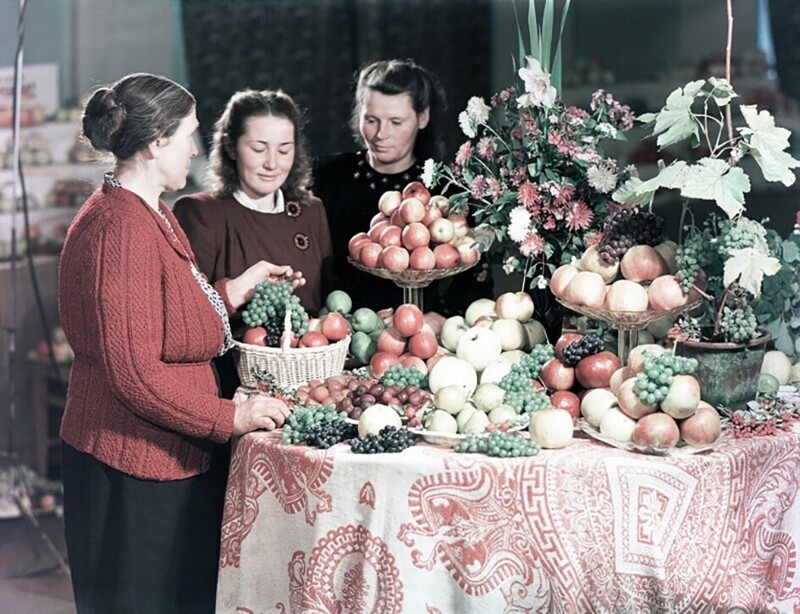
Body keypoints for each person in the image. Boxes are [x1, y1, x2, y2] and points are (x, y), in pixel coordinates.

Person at [58, 73, 297, 613]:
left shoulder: (147, 210)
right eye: (188, 133)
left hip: (163, 456)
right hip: (130, 467)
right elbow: (135, 373)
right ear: (156, 142)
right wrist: (230, 418)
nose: (194, 147)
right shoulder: (119, 230)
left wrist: (236, 288)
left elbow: (163, 315)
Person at [173, 89, 331, 398]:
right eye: (259, 148)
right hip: (232, 392)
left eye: (285, 150)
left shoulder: (312, 211)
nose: (272, 163)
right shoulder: (200, 213)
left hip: (308, 388)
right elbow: (186, 320)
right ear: (231, 147)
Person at [313, 58, 490, 314]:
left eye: (396, 122)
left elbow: (474, 285)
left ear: (422, 117)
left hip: (427, 338)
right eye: (371, 119)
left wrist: (436, 322)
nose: (380, 134)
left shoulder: (447, 190)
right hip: (339, 331)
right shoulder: (326, 176)